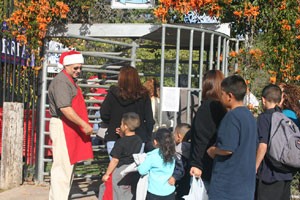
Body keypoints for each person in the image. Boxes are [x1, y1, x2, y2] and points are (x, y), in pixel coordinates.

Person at [47, 50, 93, 200]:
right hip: (63, 126)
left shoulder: (69, 80)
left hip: (68, 126)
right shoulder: (61, 81)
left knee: (67, 166)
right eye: (76, 68)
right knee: (62, 168)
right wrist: (83, 124)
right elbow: (65, 108)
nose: (79, 71)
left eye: (80, 68)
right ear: (66, 65)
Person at [207, 75, 257, 200]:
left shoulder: (232, 117)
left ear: (230, 96)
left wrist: (213, 150)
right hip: (245, 186)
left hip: (228, 187)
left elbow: (228, 148)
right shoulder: (249, 117)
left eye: (222, 94)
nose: (220, 97)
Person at [100, 66, 155, 156]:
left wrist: (114, 123)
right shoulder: (143, 95)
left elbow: (104, 114)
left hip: (115, 136)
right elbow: (149, 120)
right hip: (138, 137)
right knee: (134, 168)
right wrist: (147, 136)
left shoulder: (113, 93)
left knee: (115, 167)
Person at [189, 70, 227, 191]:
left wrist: (196, 163)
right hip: (218, 165)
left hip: (204, 164)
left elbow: (201, 137)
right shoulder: (224, 108)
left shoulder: (206, 107)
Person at [255, 84, 293, 200]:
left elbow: (263, 145)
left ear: (263, 100)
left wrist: (255, 166)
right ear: (280, 100)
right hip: (286, 174)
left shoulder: (264, 118)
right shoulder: (285, 118)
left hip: (269, 176)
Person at [101, 112, 143, 200]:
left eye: (121, 124)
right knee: (128, 191)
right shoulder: (139, 140)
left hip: (120, 170)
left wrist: (107, 174)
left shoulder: (120, 142)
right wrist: (122, 136)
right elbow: (130, 144)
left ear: (125, 126)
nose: (120, 125)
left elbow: (115, 160)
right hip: (132, 169)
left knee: (116, 191)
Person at [138, 128, 176, 200]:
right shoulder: (172, 154)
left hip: (154, 192)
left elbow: (141, 171)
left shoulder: (152, 156)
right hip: (169, 191)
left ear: (155, 142)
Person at [168, 123, 191, 199]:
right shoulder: (192, 147)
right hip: (189, 179)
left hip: (178, 179)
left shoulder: (178, 148)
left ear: (179, 136)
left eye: (174, 133)